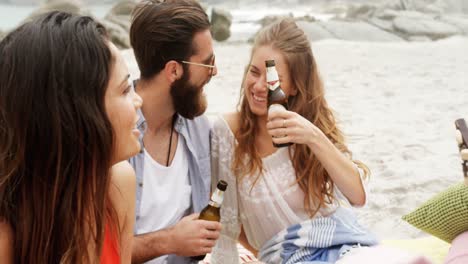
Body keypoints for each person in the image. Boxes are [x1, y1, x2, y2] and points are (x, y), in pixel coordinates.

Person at [210, 18, 377, 264]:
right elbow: (227, 222)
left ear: (294, 88)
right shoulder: (226, 132)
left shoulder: (307, 128)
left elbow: (357, 197)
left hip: (340, 245)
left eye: (272, 80)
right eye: (253, 72)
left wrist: (312, 136)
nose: (258, 86)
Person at [0, 11, 142, 263]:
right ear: (76, 114)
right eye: (125, 89)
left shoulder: (118, 184)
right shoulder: (7, 236)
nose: (138, 101)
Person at [128, 1, 221, 263]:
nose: (215, 71)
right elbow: (92, 247)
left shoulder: (199, 127)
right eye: (207, 63)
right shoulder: (111, 133)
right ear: (173, 70)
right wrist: (169, 241)